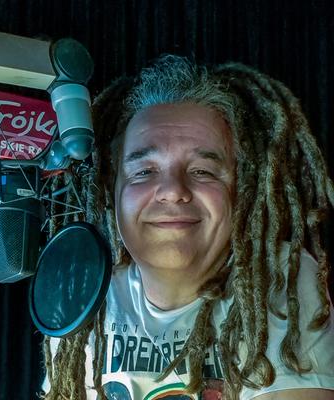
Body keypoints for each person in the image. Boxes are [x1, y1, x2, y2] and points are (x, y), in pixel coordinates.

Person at [41, 55, 334, 400]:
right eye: (144, 171)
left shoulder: (277, 278)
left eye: (202, 171)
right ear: (111, 190)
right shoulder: (86, 294)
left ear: (242, 189)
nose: (173, 191)